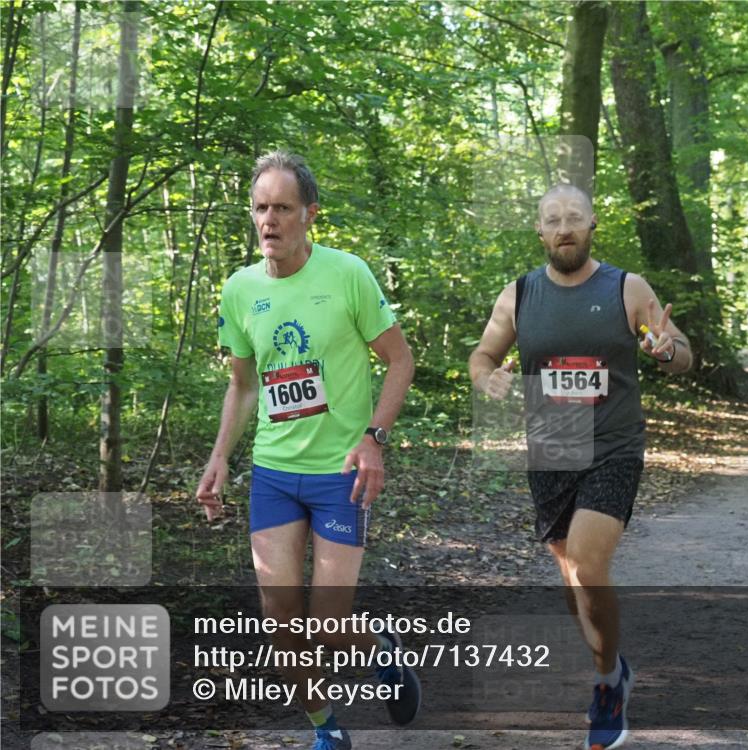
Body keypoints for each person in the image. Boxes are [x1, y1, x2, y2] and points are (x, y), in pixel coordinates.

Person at [196, 150, 419, 750]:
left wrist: (375, 438)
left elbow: (400, 361)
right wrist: (220, 456)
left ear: (309, 215)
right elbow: (243, 387)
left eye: (283, 208)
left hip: (339, 474)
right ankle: (327, 730)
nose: (270, 220)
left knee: (328, 623)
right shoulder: (239, 289)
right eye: (261, 208)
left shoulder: (347, 275)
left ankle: (382, 654)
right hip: (273, 474)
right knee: (281, 626)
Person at [468, 183, 693, 750]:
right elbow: (483, 354)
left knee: (589, 566)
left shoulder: (625, 288)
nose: (563, 227)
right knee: (571, 580)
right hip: (552, 448)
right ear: (539, 231)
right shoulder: (519, 294)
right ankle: (613, 667)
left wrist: (667, 350)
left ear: (592, 225)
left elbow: (681, 353)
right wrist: (486, 375)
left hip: (614, 445)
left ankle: (606, 683)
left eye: (574, 217)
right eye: (552, 219)